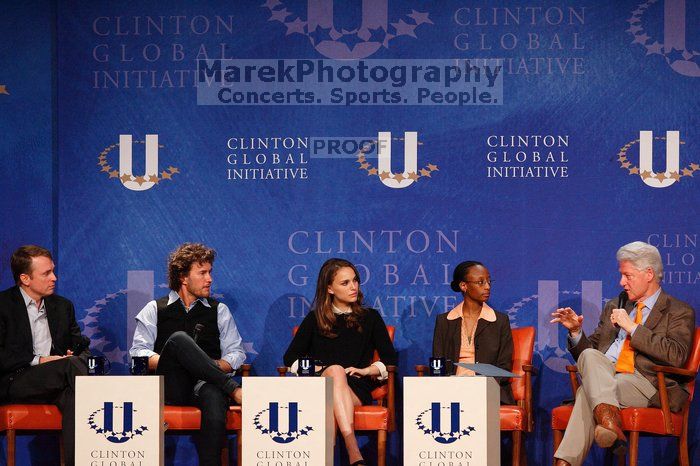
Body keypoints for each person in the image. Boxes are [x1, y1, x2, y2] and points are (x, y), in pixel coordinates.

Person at [551, 241, 695, 466]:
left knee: (587, 391)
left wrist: (633, 328)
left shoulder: (678, 311)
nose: (621, 282)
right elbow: (591, 353)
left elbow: (676, 355)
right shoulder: (615, 304)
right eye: (621, 275)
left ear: (648, 274)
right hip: (608, 376)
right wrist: (576, 331)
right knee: (590, 358)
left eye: (627, 276)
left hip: (646, 383)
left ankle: (565, 462)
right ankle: (609, 423)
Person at [130, 243, 245, 466]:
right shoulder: (155, 309)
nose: (209, 278)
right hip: (170, 385)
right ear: (183, 277)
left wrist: (206, 365)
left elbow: (236, 354)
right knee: (179, 340)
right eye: (202, 273)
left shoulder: (219, 310)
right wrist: (178, 360)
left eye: (210, 272)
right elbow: (137, 354)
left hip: (206, 384)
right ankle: (234, 389)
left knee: (213, 393)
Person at [284, 258, 397, 466]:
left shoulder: (370, 317)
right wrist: (321, 369)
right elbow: (290, 358)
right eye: (345, 283)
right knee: (335, 371)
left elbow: (390, 358)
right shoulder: (315, 319)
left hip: (355, 387)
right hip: (320, 386)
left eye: (355, 280)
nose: (353, 287)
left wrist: (365, 371)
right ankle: (352, 449)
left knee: (336, 380)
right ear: (330, 288)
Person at [0, 245, 90, 466]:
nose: (54, 278)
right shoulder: (3, 305)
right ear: (25, 278)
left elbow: (80, 346)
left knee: (74, 396)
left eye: (53, 271)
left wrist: (73, 354)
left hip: (58, 380)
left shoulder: (63, 306)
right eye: (46, 273)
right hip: (16, 379)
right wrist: (39, 360)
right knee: (71, 368)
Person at [431, 261, 515, 405]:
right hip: (451, 391)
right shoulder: (444, 321)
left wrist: (479, 387)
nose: (487, 287)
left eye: (489, 281)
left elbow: (504, 366)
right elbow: (437, 363)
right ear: (464, 286)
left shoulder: (500, 320)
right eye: (480, 282)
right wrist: (443, 388)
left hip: (489, 391)